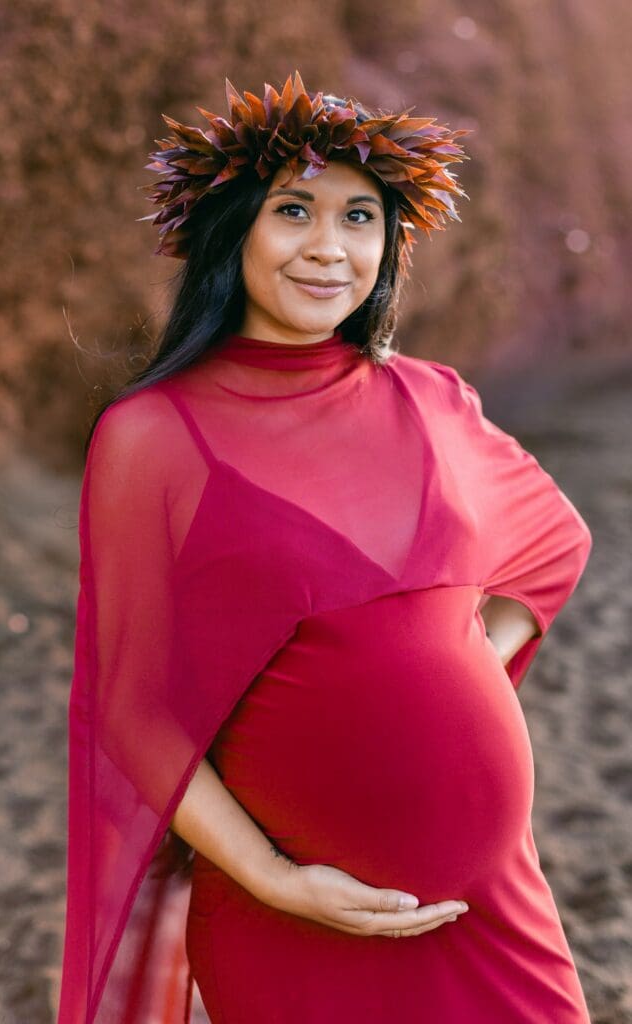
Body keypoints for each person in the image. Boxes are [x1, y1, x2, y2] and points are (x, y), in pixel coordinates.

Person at [56, 71, 593, 1022]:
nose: (328, 248)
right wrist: (271, 878)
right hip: (295, 923)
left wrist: (463, 665)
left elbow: (552, 544)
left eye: (360, 219)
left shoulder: (431, 398)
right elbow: (131, 711)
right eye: (293, 210)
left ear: (389, 249)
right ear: (233, 234)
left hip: (494, 912)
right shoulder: (154, 434)